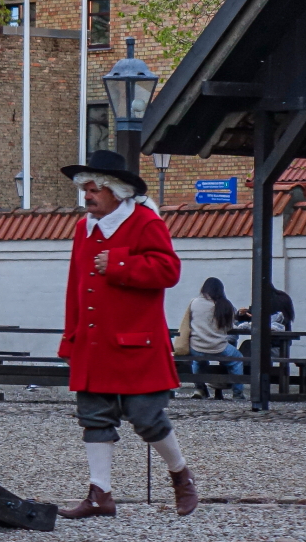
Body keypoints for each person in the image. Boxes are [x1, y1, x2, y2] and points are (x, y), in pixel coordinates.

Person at [56, 150, 198, 518]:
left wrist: (119, 264)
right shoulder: (83, 227)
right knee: (94, 416)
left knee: (147, 417)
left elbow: (169, 271)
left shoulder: (146, 222)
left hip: (137, 343)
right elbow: (75, 286)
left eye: (94, 189)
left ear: (116, 191)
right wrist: (70, 338)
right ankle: (100, 494)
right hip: (93, 342)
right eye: (84, 188)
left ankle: (181, 475)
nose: (87, 196)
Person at [179, 276, 244, 400]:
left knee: (198, 360)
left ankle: (200, 389)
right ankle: (237, 393)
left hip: (196, 346)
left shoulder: (194, 302)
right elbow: (230, 327)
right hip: (218, 346)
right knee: (237, 359)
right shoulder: (225, 305)